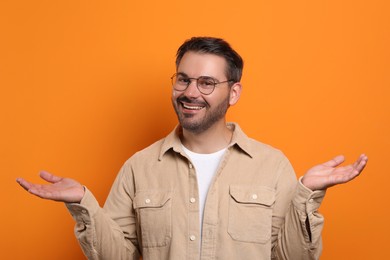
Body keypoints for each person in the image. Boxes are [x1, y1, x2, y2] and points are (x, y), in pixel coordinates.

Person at [16, 37, 368, 260]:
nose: (190, 92)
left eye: (207, 82)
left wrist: (308, 194)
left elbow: (290, 258)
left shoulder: (272, 165)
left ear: (233, 93)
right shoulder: (140, 166)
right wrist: (83, 203)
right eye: (183, 79)